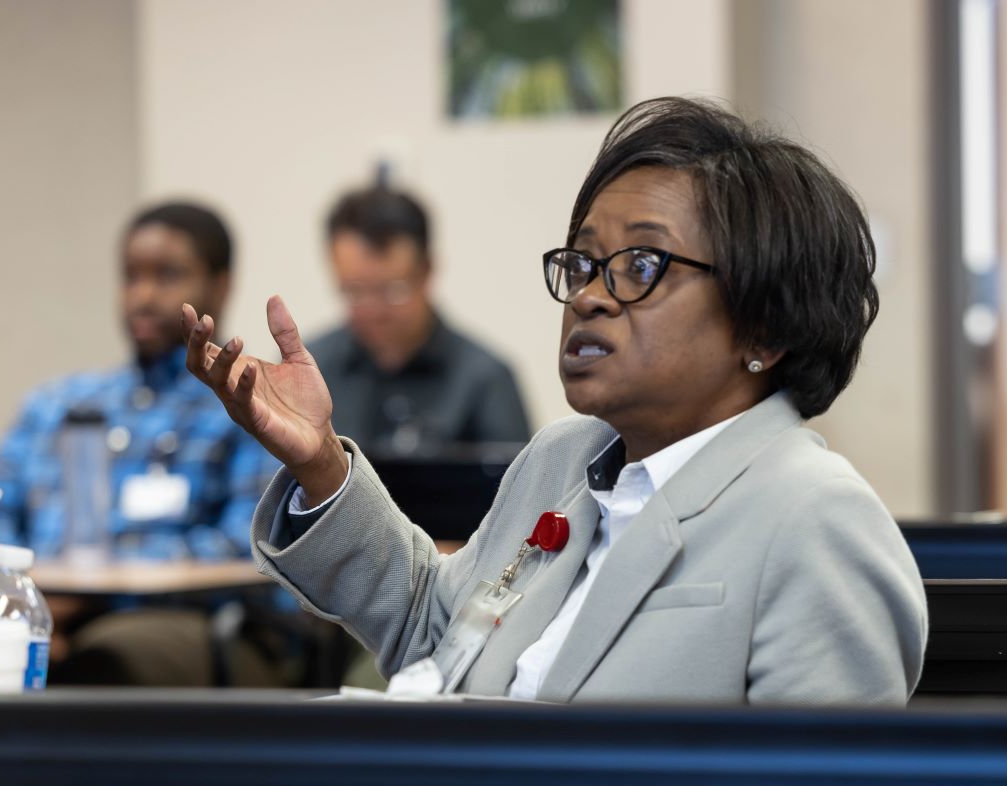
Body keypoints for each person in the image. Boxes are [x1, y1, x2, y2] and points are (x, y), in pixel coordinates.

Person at [181, 97, 928, 704]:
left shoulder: (816, 519)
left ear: (764, 324)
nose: (592, 297)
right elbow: (432, 634)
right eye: (585, 261)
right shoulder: (561, 462)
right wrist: (320, 466)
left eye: (640, 264)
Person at [0, 201, 280, 686]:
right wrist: (27, 604)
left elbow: (250, 548)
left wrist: (87, 595)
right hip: (37, 614)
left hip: (186, 623)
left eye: (167, 276)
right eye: (130, 276)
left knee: (105, 662)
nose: (142, 296)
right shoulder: (55, 404)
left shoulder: (245, 403)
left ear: (221, 285)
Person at [306, 185, 530, 455]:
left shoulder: (485, 379)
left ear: (427, 271)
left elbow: (522, 491)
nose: (374, 311)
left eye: (392, 290)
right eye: (355, 291)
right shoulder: (314, 370)